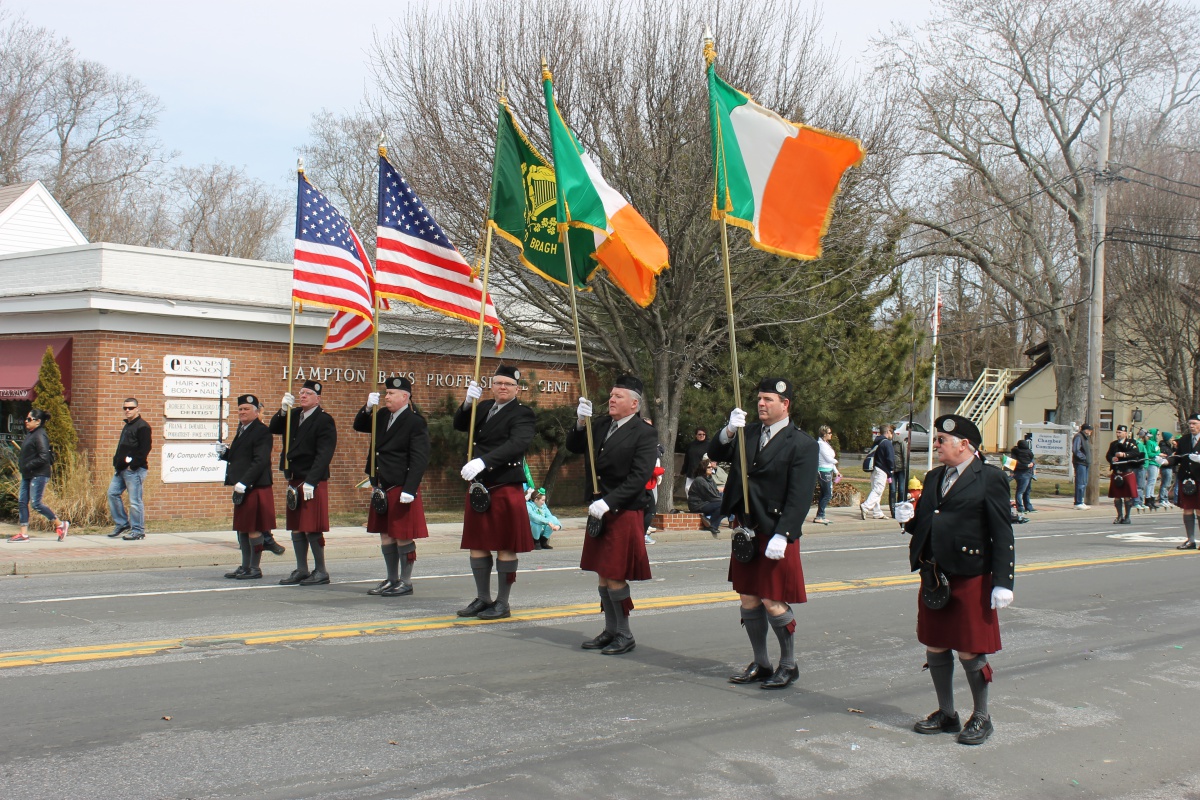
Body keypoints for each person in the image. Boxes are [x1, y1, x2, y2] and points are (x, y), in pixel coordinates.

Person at [894, 414, 1014, 746]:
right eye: (936, 439)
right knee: (936, 645)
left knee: (970, 651)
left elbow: (1002, 532)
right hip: (935, 575)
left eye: (941, 441)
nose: (936, 445)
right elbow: (929, 523)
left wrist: (1003, 581)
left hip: (970, 574)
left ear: (964, 445)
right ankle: (947, 713)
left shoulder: (988, 478)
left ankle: (982, 716)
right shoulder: (934, 477)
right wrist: (909, 521)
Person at [709, 377, 818, 690]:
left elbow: (799, 496)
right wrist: (729, 430)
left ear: (785, 405)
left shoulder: (803, 444)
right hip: (745, 528)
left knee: (773, 599)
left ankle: (788, 664)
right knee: (749, 598)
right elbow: (715, 451)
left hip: (774, 532)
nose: (760, 404)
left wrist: (784, 534)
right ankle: (761, 662)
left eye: (768, 400)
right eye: (759, 398)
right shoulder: (748, 432)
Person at [567, 374, 658, 655]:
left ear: (634, 404)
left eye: (618, 396)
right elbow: (574, 447)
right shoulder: (603, 424)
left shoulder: (644, 433)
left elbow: (638, 476)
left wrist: (609, 502)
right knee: (603, 575)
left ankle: (624, 634)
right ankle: (609, 629)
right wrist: (580, 424)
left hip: (622, 509)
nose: (611, 399)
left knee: (616, 574)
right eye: (611, 395)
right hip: (600, 509)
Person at [453, 364, 537, 620]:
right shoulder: (485, 407)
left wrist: (485, 461)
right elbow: (460, 425)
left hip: (504, 484)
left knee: (504, 546)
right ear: (492, 384)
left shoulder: (523, 413)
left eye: (508, 384)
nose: (503, 387)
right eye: (499, 383)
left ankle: (502, 602)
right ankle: (482, 598)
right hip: (481, 487)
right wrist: (467, 403)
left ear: (517, 389)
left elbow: (517, 444)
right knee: (477, 544)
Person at [354, 376, 430, 597]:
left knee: (402, 534)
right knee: (385, 534)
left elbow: (419, 458)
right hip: (382, 482)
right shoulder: (382, 415)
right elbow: (359, 425)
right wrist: (367, 408)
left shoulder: (415, 421)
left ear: (405, 396)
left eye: (391, 393)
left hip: (401, 484)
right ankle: (391, 578)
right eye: (386, 393)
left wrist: (410, 488)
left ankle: (405, 581)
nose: (386, 396)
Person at [269, 379, 337, 585]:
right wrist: (282, 410)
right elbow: (274, 427)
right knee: (297, 525)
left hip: (311, 479)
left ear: (318, 398)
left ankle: (321, 570)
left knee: (312, 526)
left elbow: (324, 453)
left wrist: (312, 480)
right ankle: (301, 568)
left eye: (308, 393)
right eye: (301, 392)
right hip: (294, 477)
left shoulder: (324, 420)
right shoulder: (293, 414)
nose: (303, 396)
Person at [216, 394, 278, 579]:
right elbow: (240, 456)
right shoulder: (242, 429)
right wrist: (225, 453)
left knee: (254, 528)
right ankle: (244, 565)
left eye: (246, 409)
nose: (242, 412)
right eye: (240, 409)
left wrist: (245, 481)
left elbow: (260, 461)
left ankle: (254, 568)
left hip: (255, 486)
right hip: (242, 486)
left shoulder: (261, 431)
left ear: (256, 411)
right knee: (242, 527)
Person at [8, 409, 68, 543]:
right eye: (26, 418)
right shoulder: (31, 434)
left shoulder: (40, 435)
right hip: (28, 474)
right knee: (22, 502)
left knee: (36, 503)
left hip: (39, 474)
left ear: (38, 421)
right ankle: (23, 534)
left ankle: (60, 524)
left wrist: (28, 465)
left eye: (29, 419)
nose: (26, 421)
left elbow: (44, 457)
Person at [107, 397, 152, 540]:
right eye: (125, 408)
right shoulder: (128, 425)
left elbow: (145, 448)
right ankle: (122, 524)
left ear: (137, 409)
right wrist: (117, 462)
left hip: (134, 471)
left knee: (135, 501)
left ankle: (138, 530)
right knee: (112, 493)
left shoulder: (142, 426)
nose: (127, 410)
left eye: (130, 408)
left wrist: (133, 466)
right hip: (121, 470)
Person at [1171, 414, 1200, 549]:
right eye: (1190, 424)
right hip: (1187, 480)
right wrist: (1165, 461)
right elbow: (1177, 457)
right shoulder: (1184, 439)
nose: (1191, 426)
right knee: (1187, 509)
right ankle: (1191, 540)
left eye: (1194, 423)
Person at [1106, 424, 1142, 525]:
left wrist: (1124, 454)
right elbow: (1108, 455)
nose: (1118, 434)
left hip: (1127, 472)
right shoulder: (1113, 444)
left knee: (1127, 496)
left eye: (1120, 432)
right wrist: (1112, 458)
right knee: (1117, 497)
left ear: (1125, 433)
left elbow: (1136, 454)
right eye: (1117, 432)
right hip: (1117, 472)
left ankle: (1127, 517)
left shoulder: (1131, 443)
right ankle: (1119, 516)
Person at [860, 424, 896, 520]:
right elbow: (890, 459)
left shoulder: (877, 441)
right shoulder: (887, 443)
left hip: (874, 468)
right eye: (891, 432)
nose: (892, 434)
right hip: (882, 469)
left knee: (875, 490)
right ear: (887, 431)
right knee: (878, 490)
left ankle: (877, 512)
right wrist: (891, 470)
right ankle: (866, 506)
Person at [688, 458, 724, 536]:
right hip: (698, 505)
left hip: (707, 502)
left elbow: (715, 494)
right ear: (703, 468)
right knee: (724, 504)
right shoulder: (700, 480)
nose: (711, 468)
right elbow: (711, 496)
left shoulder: (710, 479)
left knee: (726, 505)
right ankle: (712, 525)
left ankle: (710, 524)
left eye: (711, 467)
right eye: (709, 467)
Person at [814, 424, 840, 525]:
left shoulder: (826, 444)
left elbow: (830, 461)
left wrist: (836, 471)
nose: (831, 434)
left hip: (828, 470)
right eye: (829, 433)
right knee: (828, 494)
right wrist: (835, 461)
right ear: (824, 434)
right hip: (823, 471)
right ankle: (820, 515)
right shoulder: (820, 444)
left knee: (824, 494)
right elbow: (829, 459)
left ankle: (821, 515)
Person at [1009, 438, 1035, 514]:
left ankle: (1028, 507)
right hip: (1023, 473)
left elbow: (1013, 463)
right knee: (1021, 491)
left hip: (1026, 473)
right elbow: (1015, 463)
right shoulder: (1027, 452)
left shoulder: (1015, 452)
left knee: (1026, 491)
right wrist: (1027, 465)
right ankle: (1020, 507)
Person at [1137, 428, 1161, 511]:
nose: (1158, 436)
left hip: (1157, 463)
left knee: (1153, 482)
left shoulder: (1155, 443)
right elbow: (1149, 453)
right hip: (1151, 463)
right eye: (1157, 434)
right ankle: (1147, 499)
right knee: (1150, 482)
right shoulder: (1148, 443)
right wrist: (1158, 454)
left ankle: (1151, 498)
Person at [682, 428, 710, 495]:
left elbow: (713, 458)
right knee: (688, 489)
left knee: (701, 491)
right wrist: (683, 470)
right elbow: (687, 459)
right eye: (699, 434)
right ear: (696, 435)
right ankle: (691, 504)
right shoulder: (691, 445)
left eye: (703, 434)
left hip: (703, 472)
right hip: (691, 471)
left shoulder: (709, 445)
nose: (702, 436)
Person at [1071, 423, 1092, 509]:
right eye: (1089, 430)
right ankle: (1078, 502)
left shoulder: (1085, 437)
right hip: (1080, 463)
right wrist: (1083, 457)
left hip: (1085, 463)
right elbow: (1076, 449)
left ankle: (1081, 501)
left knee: (1084, 482)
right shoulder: (1079, 436)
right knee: (1080, 483)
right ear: (1085, 430)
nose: (1090, 432)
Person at [1158, 430, 1176, 508]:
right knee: (1165, 484)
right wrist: (1172, 455)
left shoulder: (1169, 447)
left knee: (1167, 484)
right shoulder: (1163, 447)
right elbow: (1166, 457)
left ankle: (1165, 499)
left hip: (1170, 467)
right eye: (1171, 438)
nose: (1172, 440)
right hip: (1166, 467)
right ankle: (1162, 499)